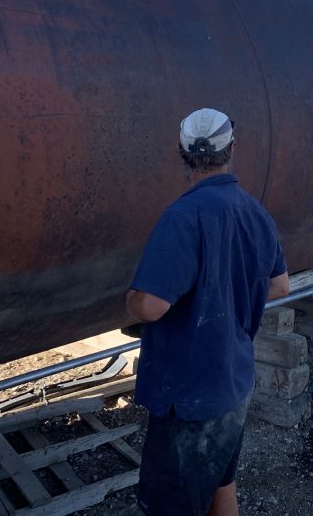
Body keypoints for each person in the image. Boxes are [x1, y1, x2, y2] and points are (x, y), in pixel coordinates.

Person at [126, 108, 290, 516]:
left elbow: (149, 306)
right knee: (221, 485)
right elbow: (280, 285)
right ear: (231, 148)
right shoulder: (255, 213)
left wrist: (130, 299)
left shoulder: (183, 216)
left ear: (181, 151)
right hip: (233, 383)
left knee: (171, 505)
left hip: (189, 395)